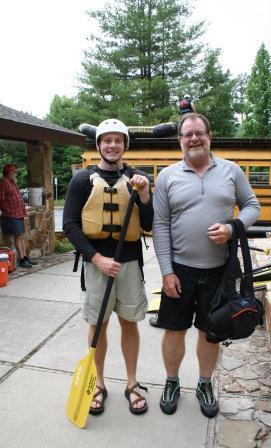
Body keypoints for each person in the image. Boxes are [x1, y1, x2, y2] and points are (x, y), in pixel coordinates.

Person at [153, 113, 260, 418]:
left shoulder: (231, 171)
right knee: (174, 330)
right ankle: (171, 382)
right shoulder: (167, 177)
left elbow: (253, 205)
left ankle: (204, 384)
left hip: (220, 270)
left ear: (210, 136)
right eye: (187, 135)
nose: (193, 139)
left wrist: (232, 227)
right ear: (180, 141)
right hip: (179, 270)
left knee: (209, 332)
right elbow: (160, 225)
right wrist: (166, 271)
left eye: (199, 133)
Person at [63, 118, 153, 415]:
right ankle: (98, 383)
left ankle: (131, 383)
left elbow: (150, 223)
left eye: (118, 140)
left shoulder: (138, 178)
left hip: (129, 264)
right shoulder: (81, 180)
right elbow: (71, 225)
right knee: (97, 325)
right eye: (107, 140)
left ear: (125, 145)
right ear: (99, 145)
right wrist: (96, 258)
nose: (112, 145)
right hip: (96, 265)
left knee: (129, 323)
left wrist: (144, 195)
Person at [0, 164, 36, 268]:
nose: (16, 173)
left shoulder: (12, 182)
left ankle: (25, 257)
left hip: (19, 213)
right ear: (9, 172)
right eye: (14, 172)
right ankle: (21, 259)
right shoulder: (3, 181)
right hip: (11, 213)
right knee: (18, 236)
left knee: (21, 236)